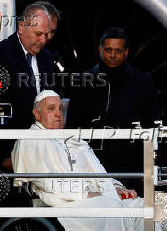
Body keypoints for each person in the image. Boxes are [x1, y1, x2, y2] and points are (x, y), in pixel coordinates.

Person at [11, 90, 166, 231]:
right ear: (36, 114)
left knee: (141, 206)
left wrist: (115, 187)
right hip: (64, 201)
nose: (58, 113)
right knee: (108, 206)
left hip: (93, 195)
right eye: (51, 109)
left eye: (60, 109)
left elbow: (98, 169)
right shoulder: (30, 140)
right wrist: (83, 193)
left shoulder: (73, 138)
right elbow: (45, 182)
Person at [66, 27, 160, 196]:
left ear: (126, 52)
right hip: (93, 162)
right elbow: (73, 125)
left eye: (118, 50)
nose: (112, 55)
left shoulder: (143, 82)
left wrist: (149, 166)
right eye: (108, 50)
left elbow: (152, 125)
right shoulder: (83, 81)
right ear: (100, 50)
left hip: (131, 163)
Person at [0, 2, 59, 172]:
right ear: (21, 27)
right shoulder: (0, 53)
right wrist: (5, 154)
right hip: (9, 152)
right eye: (38, 34)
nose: (43, 40)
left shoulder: (46, 57)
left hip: (42, 149)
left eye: (47, 35)